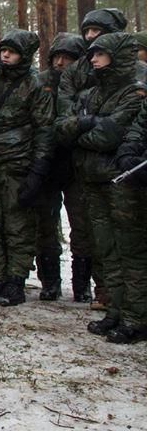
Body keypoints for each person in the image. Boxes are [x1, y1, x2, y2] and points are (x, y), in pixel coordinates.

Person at [55, 32, 146, 339]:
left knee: (130, 251)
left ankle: (137, 317)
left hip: (120, 183)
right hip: (91, 180)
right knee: (106, 249)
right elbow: (61, 129)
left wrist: (83, 127)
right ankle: (117, 311)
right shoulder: (90, 95)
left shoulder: (134, 94)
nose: (92, 59)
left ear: (117, 57)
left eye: (100, 54)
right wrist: (87, 125)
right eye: (92, 54)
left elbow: (111, 134)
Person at [0, 29, 54, 306]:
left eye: (12, 51)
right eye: (2, 50)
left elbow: (44, 129)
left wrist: (38, 170)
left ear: (25, 55)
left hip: (19, 166)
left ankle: (16, 281)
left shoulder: (36, 86)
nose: (5, 55)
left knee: (18, 227)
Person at [57, 8, 129, 308]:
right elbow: (65, 118)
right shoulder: (76, 71)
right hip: (82, 165)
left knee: (127, 236)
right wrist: (86, 127)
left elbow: (122, 125)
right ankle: (103, 291)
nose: (89, 36)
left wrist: (88, 126)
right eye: (86, 31)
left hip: (125, 167)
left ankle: (127, 299)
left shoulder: (134, 73)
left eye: (97, 30)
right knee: (89, 230)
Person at [33, 32, 91, 302]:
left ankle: (82, 285)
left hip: (78, 163)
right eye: (56, 56)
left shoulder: (89, 83)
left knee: (82, 225)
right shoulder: (39, 83)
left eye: (67, 58)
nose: (60, 62)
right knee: (45, 224)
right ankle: (50, 282)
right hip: (46, 163)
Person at [111, 74, 147, 344]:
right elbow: (138, 126)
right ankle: (135, 318)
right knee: (133, 254)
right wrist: (129, 150)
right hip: (138, 183)